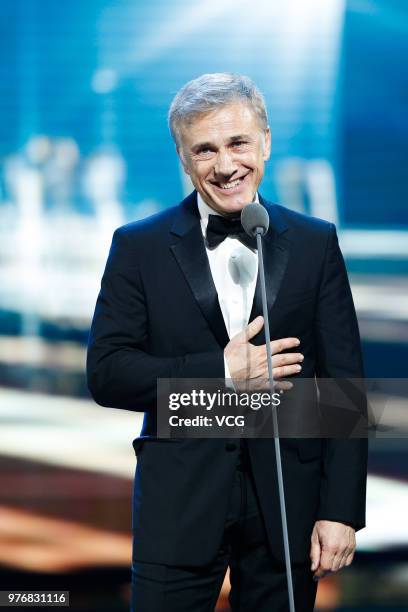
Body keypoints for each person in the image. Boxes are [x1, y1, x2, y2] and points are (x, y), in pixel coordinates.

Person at [86, 73, 368, 611]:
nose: (224, 165)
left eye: (238, 142)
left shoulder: (314, 242)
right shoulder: (138, 247)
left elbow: (343, 386)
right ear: (184, 158)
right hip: (180, 500)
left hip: (288, 500)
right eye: (205, 149)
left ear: (265, 140)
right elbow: (108, 372)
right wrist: (219, 371)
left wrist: (340, 509)